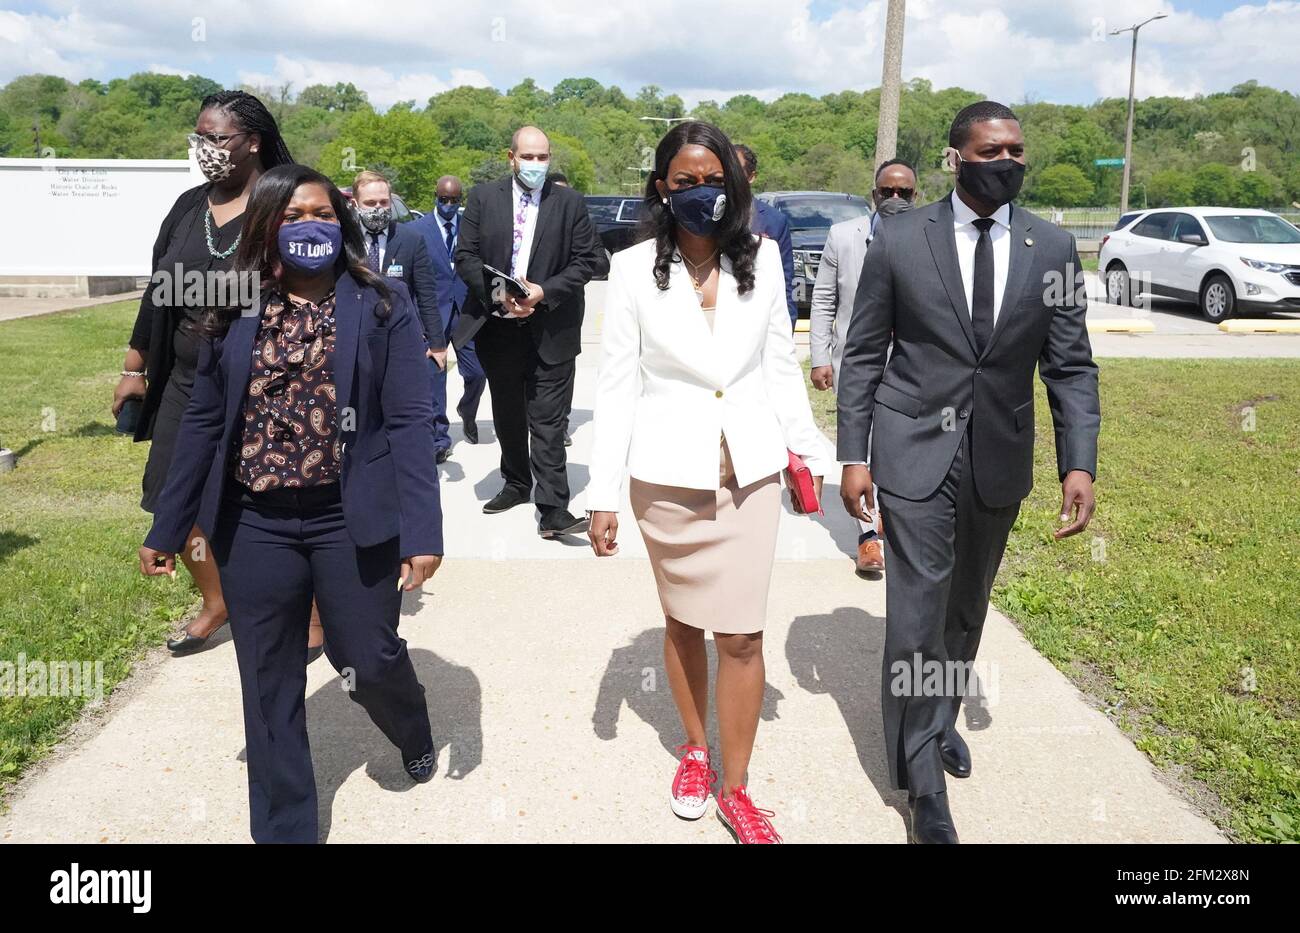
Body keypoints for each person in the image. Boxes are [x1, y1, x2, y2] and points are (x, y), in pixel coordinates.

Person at [137, 164, 445, 844]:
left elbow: (407, 422)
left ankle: (410, 719)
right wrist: (168, 525)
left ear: (344, 223)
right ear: (268, 227)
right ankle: (285, 828)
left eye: (325, 214)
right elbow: (203, 425)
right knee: (269, 679)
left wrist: (422, 529)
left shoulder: (384, 303)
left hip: (350, 518)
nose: (313, 225)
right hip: (255, 525)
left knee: (367, 655)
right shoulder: (232, 308)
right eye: (295, 215)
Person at [837, 101, 1099, 843]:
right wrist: (852, 452)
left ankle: (939, 712)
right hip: (913, 445)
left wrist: (1078, 461)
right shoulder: (900, 238)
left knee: (966, 608)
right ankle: (922, 781)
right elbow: (862, 354)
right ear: (957, 158)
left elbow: (1072, 364)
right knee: (918, 613)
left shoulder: (1049, 247)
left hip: (998, 454)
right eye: (992, 150)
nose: (1008, 161)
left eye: (1017, 149)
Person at [587, 121, 834, 844]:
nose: (702, 191)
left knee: (745, 635)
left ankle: (737, 786)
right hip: (665, 477)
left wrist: (811, 451)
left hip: (748, 474)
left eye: (713, 177)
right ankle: (695, 749)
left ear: (735, 181)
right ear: (663, 186)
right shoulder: (633, 269)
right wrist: (602, 492)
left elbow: (779, 368)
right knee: (683, 620)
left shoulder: (763, 255)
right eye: (685, 180)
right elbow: (618, 385)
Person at [108, 90, 325, 658]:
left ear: (252, 142)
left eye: (217, 137)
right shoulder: (187, 207)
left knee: (275, 497)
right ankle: (218, 599)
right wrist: (134, 367)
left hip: (265, 381)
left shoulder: (284, 202)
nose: (205, 149)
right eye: (199, 137)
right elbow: (159, 292)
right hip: (186, 379)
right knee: (170, 498)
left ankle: (310, 610)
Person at [453, 125, 607, 538]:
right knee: (507, 411)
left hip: (551, 326)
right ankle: (517, 483)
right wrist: (500, 294)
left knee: (548, 420)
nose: (536, 164)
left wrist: (543, 292)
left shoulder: (569, 203)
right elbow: (465, 256)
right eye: (529, 157)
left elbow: (588, 261)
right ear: (511, 156)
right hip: (498, 326)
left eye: (543, 157)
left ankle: (553, 506)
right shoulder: (484, 198)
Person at [810, 158, 918, 577]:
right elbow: (823, 301)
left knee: (900, 450)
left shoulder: (929, 236)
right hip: (856, 364)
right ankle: (868, 538)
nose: (894, 198)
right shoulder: (843, 236)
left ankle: (896, 522)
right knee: (863, 449)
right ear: (873, 195)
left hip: (911, 366)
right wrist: (821, 357)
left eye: (903, 192)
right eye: (886, 191)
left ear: (915, 195)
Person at [352, 170, 447, 458]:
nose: (378, 209)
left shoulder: (410, 239)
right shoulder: (344, 240)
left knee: (401, 403)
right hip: (355, 336)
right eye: (370, 203)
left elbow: (426, 295)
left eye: (383, 202)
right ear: (356, 204)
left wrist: (437, 344)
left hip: (399, 339)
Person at [410, 175, 486, 450]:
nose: (449, 205)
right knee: (434, 378)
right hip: (432, 314)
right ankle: (439, 439)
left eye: (455, 200)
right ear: (435, 197)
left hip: (467, 313)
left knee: (477, 373)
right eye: (444, 200)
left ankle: (467, 411)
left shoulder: (471, 229)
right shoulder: (418, 230)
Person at [734, 144, 798, 327]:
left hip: (760, 322)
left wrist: (788, 326)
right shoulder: (709, 216)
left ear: (751, 176)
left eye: (736, 170)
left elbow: (786, 282)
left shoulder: (774, 221)